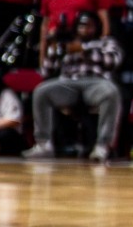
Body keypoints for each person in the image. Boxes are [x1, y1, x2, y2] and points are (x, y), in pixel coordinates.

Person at [25, 11, 121, 162]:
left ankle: (103, 145)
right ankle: (44, 144)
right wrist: (54, 48)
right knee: (41, 91)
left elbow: (112, 62)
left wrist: (83, 50)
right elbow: (47, 70)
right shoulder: (66, 42)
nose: (85, 29)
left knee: (111, 92)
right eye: (82, 25)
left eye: (90, 26)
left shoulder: (105, 42)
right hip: (68, 83)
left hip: (95, 83)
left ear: (97, 27)